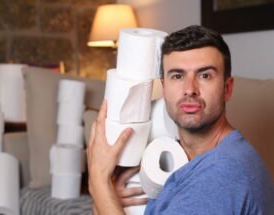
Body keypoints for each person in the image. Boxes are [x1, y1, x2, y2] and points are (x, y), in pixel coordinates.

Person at [87, 25, 274, 214]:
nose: (190, 89)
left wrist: (99, 180)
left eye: (204, 75)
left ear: (227, 88)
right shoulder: (184, 156)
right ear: (164, 87)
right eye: (177, 76)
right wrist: (108, 197)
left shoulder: (220, 176)